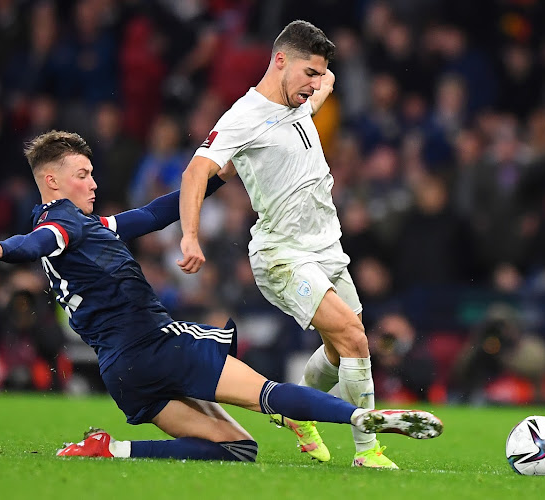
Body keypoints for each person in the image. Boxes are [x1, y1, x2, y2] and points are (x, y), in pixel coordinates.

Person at [0, 130, 443, 462]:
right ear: (51, 181)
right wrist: (2, 248)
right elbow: (38, 242)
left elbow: (153, 214)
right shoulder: (60, 222)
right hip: (155, 346)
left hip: (123, 371)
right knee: (266, 393)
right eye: (82, 173)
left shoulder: (88, 226)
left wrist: (216, 176)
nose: (93, 181)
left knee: (238, 448)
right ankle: (361, 416)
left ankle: (111, 450)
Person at [178, 20, 424, 468]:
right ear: (279, 61)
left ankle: (296, 410)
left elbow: (326, 82)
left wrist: (322, 74)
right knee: (354, 338)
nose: (315, 84)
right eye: (308, 72)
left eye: (318, 74)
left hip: (328, 249)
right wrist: (190, 236)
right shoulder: (243, 116)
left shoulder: (302, 101)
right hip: (283, 255)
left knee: (338, 349)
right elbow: (195, 171)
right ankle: (368, 450)